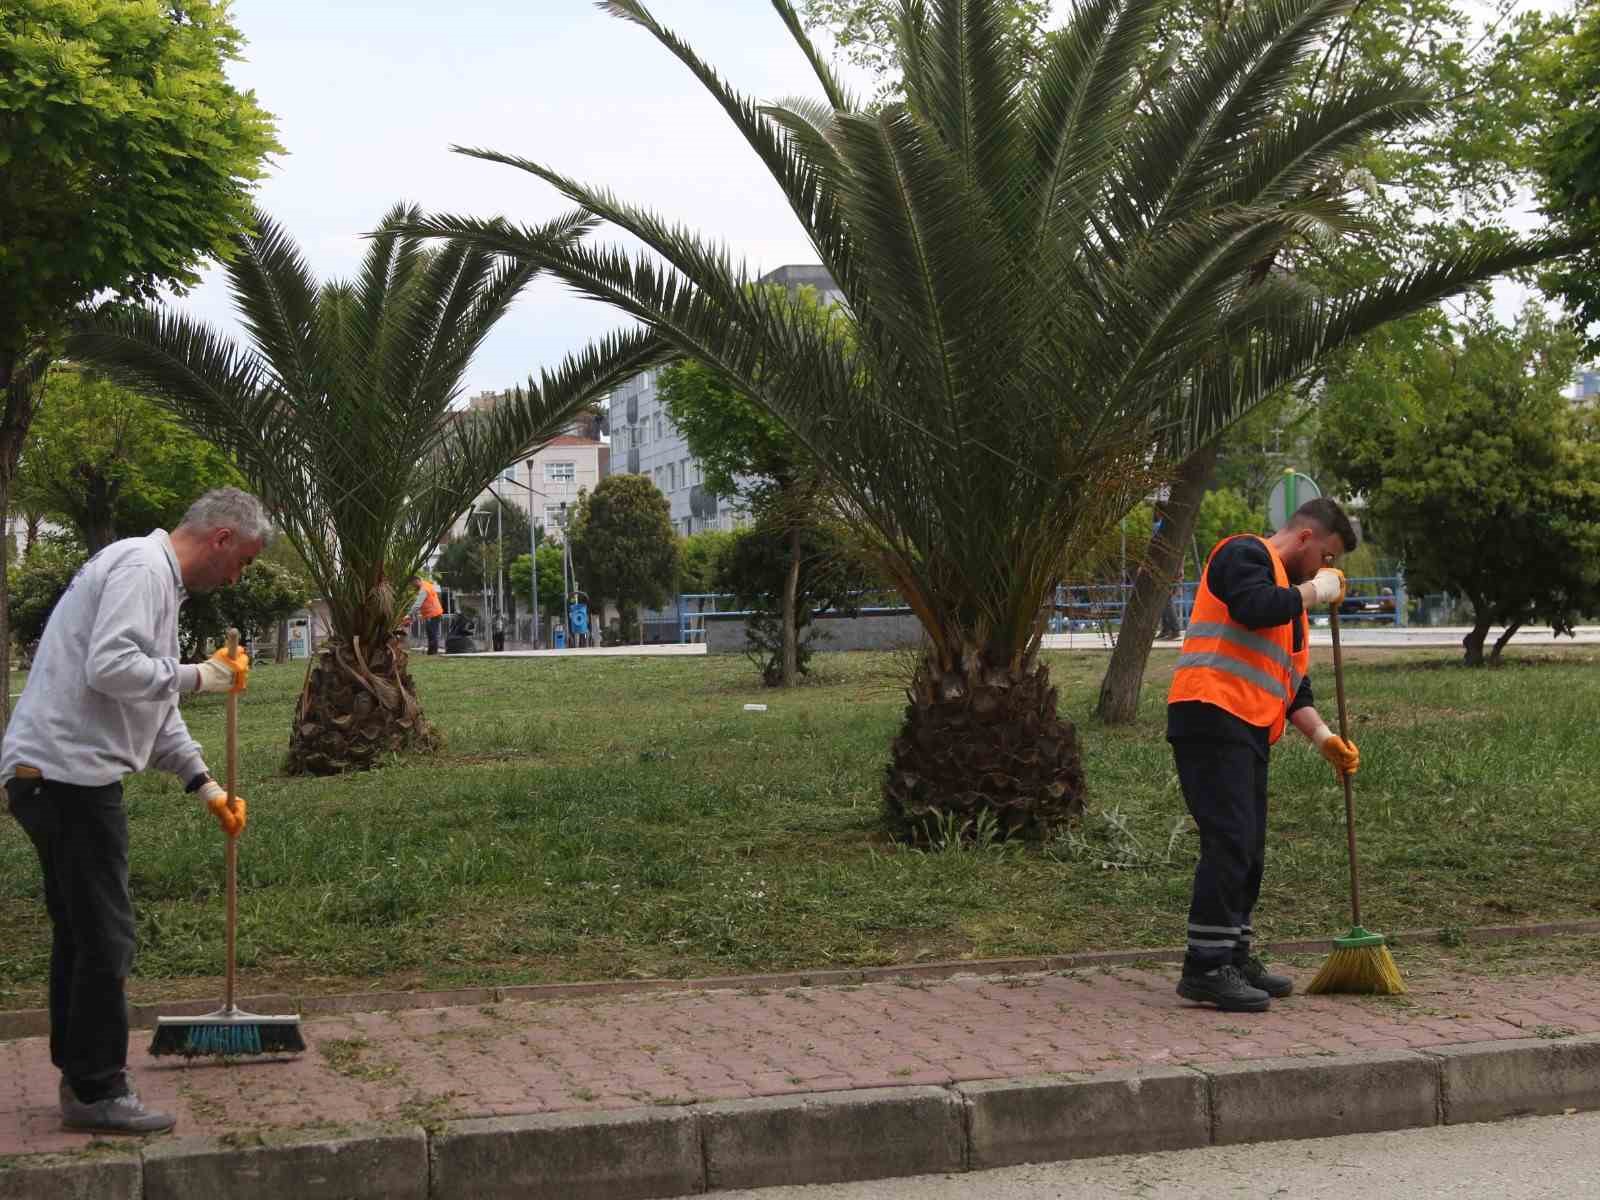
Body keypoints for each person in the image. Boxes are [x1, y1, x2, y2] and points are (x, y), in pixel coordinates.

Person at [1, 488, 269, 1134]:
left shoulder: (152, 580)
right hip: (67, 777)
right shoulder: (141, 570)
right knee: (105, 935)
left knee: (83, 932)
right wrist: (202, 675)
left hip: (57, 776)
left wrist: (204, 784)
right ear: (221, 539)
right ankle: (97, 1089)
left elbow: (152, 708)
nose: (235, 579)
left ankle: (82, 1076)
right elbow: (113, 668)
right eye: (241, 563)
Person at [1167, 498, 1361, 1013]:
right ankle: (1205, 967)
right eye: (1327, 556)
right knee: (1229, 838)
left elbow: (1294, 687)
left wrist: (1325, 740)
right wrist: (1315, 591)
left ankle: (1234, 954)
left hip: (1248, 727)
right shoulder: (1244, 555)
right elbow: (1253, 607)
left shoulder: (1291, 614)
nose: (1327, 569)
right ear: (1304, 539)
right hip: (1209, 712)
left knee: (1248, 845)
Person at [412, 575, 444, 654]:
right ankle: (431, 652)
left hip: (433, 614)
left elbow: (418, 604)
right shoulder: (426, 585)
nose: (413, 586)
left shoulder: (424, 589)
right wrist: (421, 614)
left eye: (413, 584)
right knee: (430, 633)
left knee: (432, 633)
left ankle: (432, 652)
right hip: (432, 614)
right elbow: (425, 603)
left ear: (417, 581)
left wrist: (409, 614)